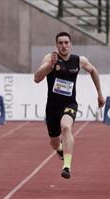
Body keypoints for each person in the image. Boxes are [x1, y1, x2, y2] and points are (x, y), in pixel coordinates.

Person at [34, 32, 105, 179]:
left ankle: (67, 166)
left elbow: (94, 71)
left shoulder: (79, 60)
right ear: (56, 45)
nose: (63, 46)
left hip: (69, 104)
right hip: (52, 107)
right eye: (60, 43)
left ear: (70, 44)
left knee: (66, 127)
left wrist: (99, 93)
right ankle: (59, 148)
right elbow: (37, 78)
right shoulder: (50, 58)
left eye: (66, 42)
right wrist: (50, 65)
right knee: (54, 142)